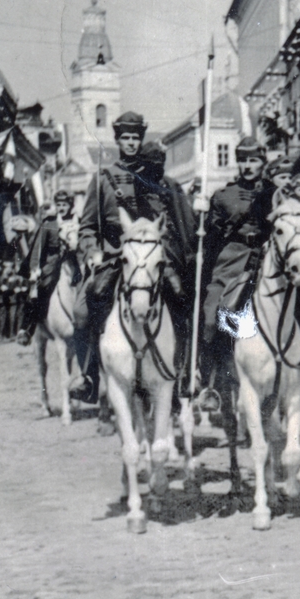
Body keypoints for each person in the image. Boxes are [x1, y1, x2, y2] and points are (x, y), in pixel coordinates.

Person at [71, 111, 199, 402]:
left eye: (135, 138)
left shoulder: (154, 176)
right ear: (117, 140)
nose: (130, 143)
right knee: (82, 311)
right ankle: (88, 377)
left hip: (151, 259)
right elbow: (87, 227)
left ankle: (182, 373)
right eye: (125, 138)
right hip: (113, 258)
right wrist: (92, 252)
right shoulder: (103, 179)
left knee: (182, 301)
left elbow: (176, 215)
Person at [196, 136, 269, 411]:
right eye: (243, 160)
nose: (248, 166)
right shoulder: (223, 196)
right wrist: (201, 216)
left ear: (263, 162)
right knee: (211, 317)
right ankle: (210, 383)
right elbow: (211, 234)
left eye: (254, 160)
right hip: (232, 261)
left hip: (265, 258)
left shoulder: (273, 193)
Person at [18, 191, 78, 345]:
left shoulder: (78, 221)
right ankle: (28, 328)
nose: (62, 208)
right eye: (59, 205)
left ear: (71, 205)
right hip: (53, 265)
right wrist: (34, 269)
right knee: (41, 290)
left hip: (77, 262)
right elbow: (37, 248)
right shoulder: (49, 224)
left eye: (65, 204)